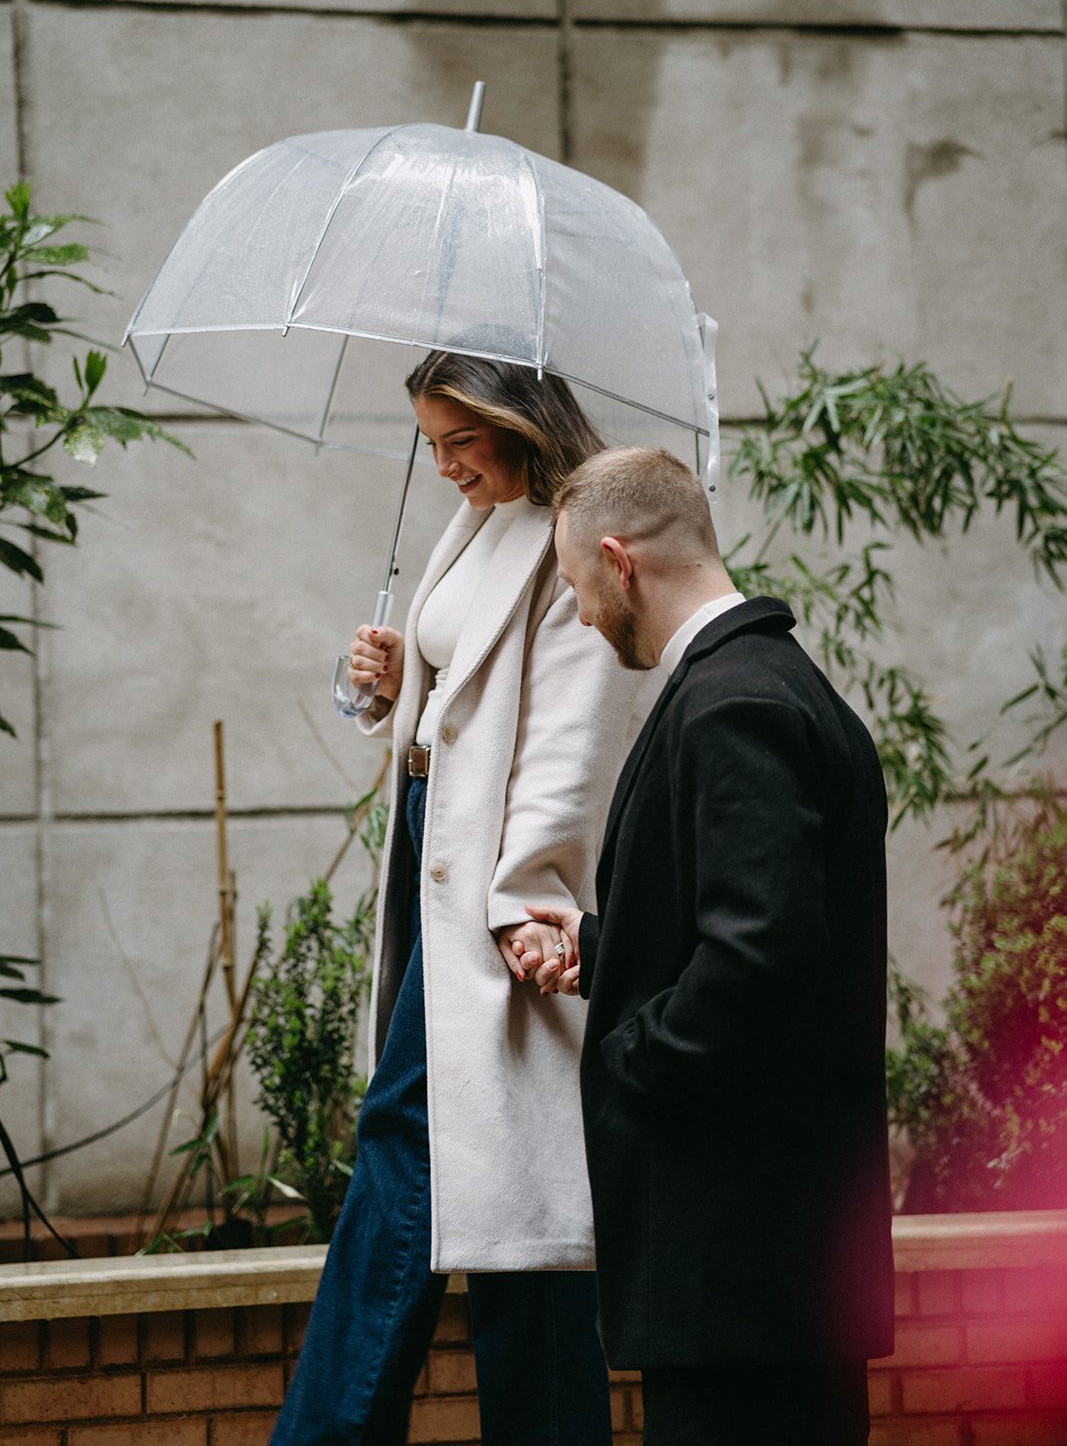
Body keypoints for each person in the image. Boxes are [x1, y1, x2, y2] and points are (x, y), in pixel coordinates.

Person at [271, 356, 657, 1446]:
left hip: (492, 881)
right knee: (512, 1188)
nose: (442, 464)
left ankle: (325, 1432)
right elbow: (465, 697)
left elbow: (571, 741)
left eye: (458, 439)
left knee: (412, 1133)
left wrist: (525, 896)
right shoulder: (481, 520)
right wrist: (397, 683)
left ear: (516, 422)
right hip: (431, 839)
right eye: (429, 443)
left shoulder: (576, 532)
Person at [527, 445, 895, 1446]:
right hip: (772, 1272)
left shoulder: (731, 703)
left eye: (576, 585)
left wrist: (631, 1057)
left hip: (738, 1263)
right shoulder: (769, 682)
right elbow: (754, 925)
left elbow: (760, 951)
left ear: (619, 561)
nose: (581, 614)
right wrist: (603, 950)